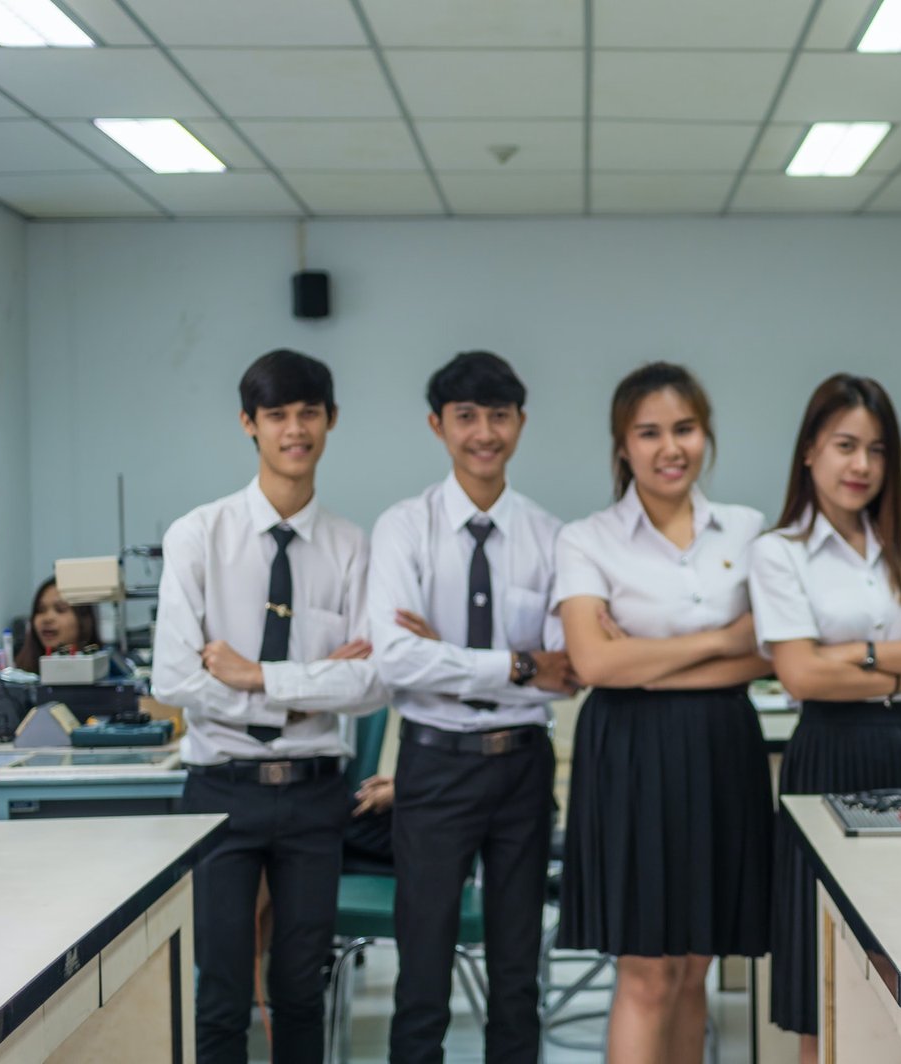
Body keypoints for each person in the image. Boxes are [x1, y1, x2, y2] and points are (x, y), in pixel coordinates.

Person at [151, 348, 387, 1064]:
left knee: (299, 989)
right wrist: (310, 686)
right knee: (221, 992)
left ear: (331, 420)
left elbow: (375, 684)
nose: (295, 429)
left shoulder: (352, 547)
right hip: (222, 793)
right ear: (248, 425)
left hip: (315, 798)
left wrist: (258, 678)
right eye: (277, 415)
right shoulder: (198, 537)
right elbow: (173, 678)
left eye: (308, 412)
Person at [748, 373, 901, 1060]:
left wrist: (859, 652)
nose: (862, 466)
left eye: (877, 451)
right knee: (823, 970)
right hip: (828, 753)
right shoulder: (778, 551)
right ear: (811, 449)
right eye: (846, 445)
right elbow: (800, 673)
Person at [553, 361, 773, 1064]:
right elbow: (592, 665)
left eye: (684, 428)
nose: (668, 447)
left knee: (696, 966)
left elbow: (768, 655)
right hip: (628, 753)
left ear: (706, 434)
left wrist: (645, 660)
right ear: (622, 446)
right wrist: (719, 641)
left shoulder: (747, 531)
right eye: (648, 433)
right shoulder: (586, 539)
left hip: (721, 747)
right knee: (647, 969)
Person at [368, 350, 578, 1064]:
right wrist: (516, 663)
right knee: (421, 972)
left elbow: (567, 670)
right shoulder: (403, 528)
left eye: (498, 415)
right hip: (433, 768)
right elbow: (395, 659)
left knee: (518, 973)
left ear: (521, 423)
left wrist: (448, 656)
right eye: (466, 417)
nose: (483, 432)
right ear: (437, 425)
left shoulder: (553, 537)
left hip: (521, 771)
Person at [14, 576, 100, 672]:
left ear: (84, 619)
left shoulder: (106, 670)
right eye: (40, 610)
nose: (47, 618)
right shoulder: (19, 672)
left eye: (60, 609)